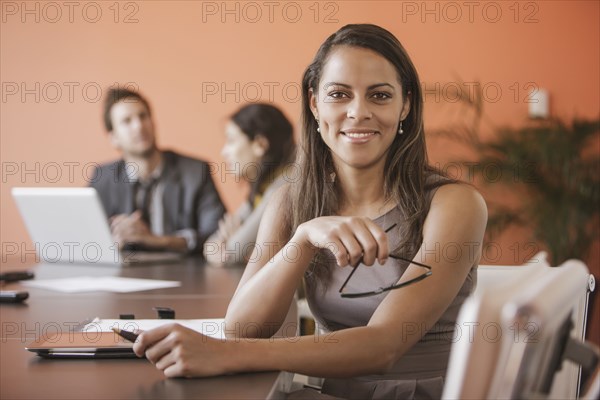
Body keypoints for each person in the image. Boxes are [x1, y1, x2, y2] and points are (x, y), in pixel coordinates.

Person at [133, 24, 487, 399]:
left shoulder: (454, 204)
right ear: (315, 105)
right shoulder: (290, 201)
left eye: (380, 95)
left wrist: (226, 355)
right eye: (339, 95)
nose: (358, 112)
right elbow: (243, 328)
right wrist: (301, 241)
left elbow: (385, 345)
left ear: (406, 105)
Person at [91, 88, 225, 254]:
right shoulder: (103, 178)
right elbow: (84, 235)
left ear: (153, 122)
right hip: (125, 275)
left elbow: (216, 234)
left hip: (185, 274)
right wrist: (110, 242)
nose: (139, 126)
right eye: (127, 121)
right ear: (114, 138)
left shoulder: (196, 172)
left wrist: (158, 241)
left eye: (143, 116)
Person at [203, 103, 295, 265]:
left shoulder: (285, 184)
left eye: (231, 141)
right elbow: (213, 244)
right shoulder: (265, 185)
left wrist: (232, 243)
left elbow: (231, 254)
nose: (224, 152)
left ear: (260, 145)